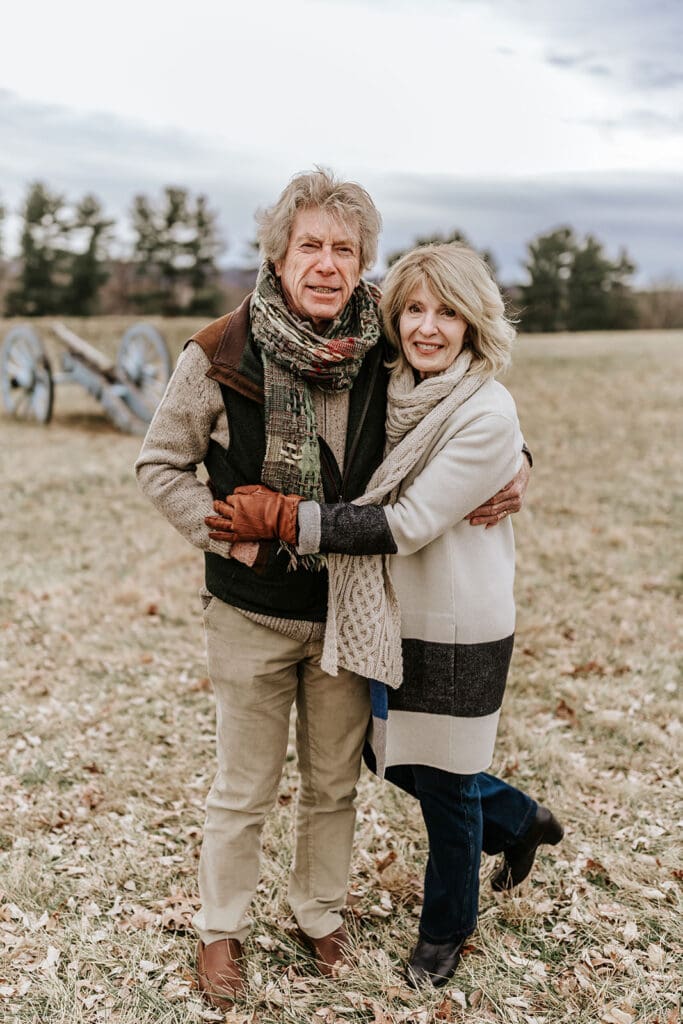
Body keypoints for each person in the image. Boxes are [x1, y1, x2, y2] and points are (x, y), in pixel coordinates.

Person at [136, 170, 530, 1008]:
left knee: (332, 784)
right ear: (276, 256)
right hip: (248, 611)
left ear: (363, 263)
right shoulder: (215, 354)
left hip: (351, 612)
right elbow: (159, 465)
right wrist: (225, 540)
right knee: (242, 787)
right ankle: (220, 931)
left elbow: (455, 400)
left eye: (343, 249)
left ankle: (316, 912)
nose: (325, 263)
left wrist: (518, 464)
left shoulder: (385, 339)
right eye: (308, 245)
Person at [207, 241, 563, 990]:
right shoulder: (390, 379)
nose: (428, 327)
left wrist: (285, 520)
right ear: (393, 315)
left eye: (448, 313)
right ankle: (520, 818)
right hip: (384, 613)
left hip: (456, 619)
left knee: (445, 778)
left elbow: (404, 522)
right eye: (414, 309)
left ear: (474, 323)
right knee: (383, 755)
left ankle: (445, 931)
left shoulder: (485, 412)